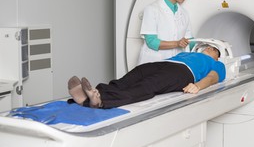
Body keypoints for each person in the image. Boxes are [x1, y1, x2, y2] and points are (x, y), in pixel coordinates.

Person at [68, 46, 225, 109]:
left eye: (214, 50)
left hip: (184, 72)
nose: (210, 48)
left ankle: (101, 101)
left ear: (217, 58)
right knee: (133, 76)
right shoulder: (188, 53)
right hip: (165, 63)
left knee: (148, 85)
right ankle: (92, 94)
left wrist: (198, 86)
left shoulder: (216, 64)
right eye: (209, 47)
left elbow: (213, 77)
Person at [138, 0, 194, 65]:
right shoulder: (152, 9)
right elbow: (152, 42)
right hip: (153, 63)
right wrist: (177, 43)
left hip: (176, 64)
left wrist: (208, 44)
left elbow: (190, 40)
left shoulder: (184, 13)